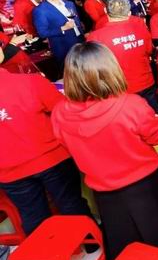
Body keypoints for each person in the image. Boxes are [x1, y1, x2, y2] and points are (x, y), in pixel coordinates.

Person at [52, 42, 158, 260]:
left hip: (103, 189)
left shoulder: (60, 112)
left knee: (123, 241)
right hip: (145, 183)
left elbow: (64, 142)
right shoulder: (131, 104)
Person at [0, 64, 92, 236]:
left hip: (9, 172)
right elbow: (62, 109)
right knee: (71, 204)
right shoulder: (29, 82)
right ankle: (93, 244)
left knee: (33, 217)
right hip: (51, 158)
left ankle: (48, 250)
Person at [87, 0, 158, 112]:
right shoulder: (140, 27)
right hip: (145, 81)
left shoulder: (95, 37)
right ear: (129, 13)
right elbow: (149, 50)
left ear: (105, 11)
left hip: (119, 88)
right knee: (153, 115)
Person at [32, 0, 84, 66]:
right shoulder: (40, 10)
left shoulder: (69, 4)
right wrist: (63, 28)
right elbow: (42, 33)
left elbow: (76, 21)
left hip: (80, 41)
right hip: (64, 47)